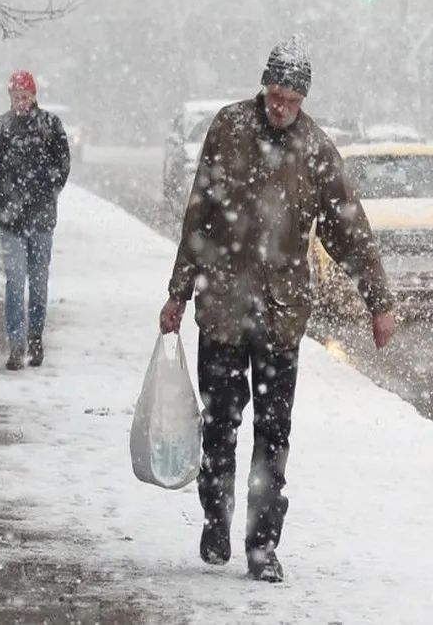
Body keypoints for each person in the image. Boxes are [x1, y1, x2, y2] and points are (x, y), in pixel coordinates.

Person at [158, 36, 396, 583]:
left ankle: (262, 546)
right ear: (263, 87)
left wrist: (379, 302)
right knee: (219, 427)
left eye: (291, 98)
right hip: (221, 307)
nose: (280, 106)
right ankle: (216, 520)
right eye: (274, 94)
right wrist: (178, 292)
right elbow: (199, 213)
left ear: (304, 98)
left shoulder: (316, 150)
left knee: (273, 433)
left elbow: (349, 230)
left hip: (280, 315)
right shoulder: (228, 127)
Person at [0, 70, 71, 370]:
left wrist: (48, 192)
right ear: (9, 97)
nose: (20, 102)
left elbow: (63, 164)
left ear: (34, 96)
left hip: (42, 218)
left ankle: (35, 336)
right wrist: (10, 197)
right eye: (15, 97)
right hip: (12, 219)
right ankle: (15, 342)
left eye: (25, 96)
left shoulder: (50, 126)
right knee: (14, 280)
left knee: (38, 281)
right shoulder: (0, 128)